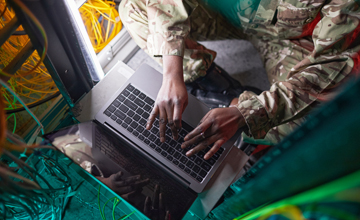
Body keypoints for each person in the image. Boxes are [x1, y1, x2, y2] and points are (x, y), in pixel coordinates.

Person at [119, 0, 360, 160]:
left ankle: (230, 100)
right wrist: (172, 73)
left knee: (322, 121)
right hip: (225, 14)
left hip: (292, 38)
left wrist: (246, 112)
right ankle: (201, 77)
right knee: (134, 7)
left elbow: (332, 65)